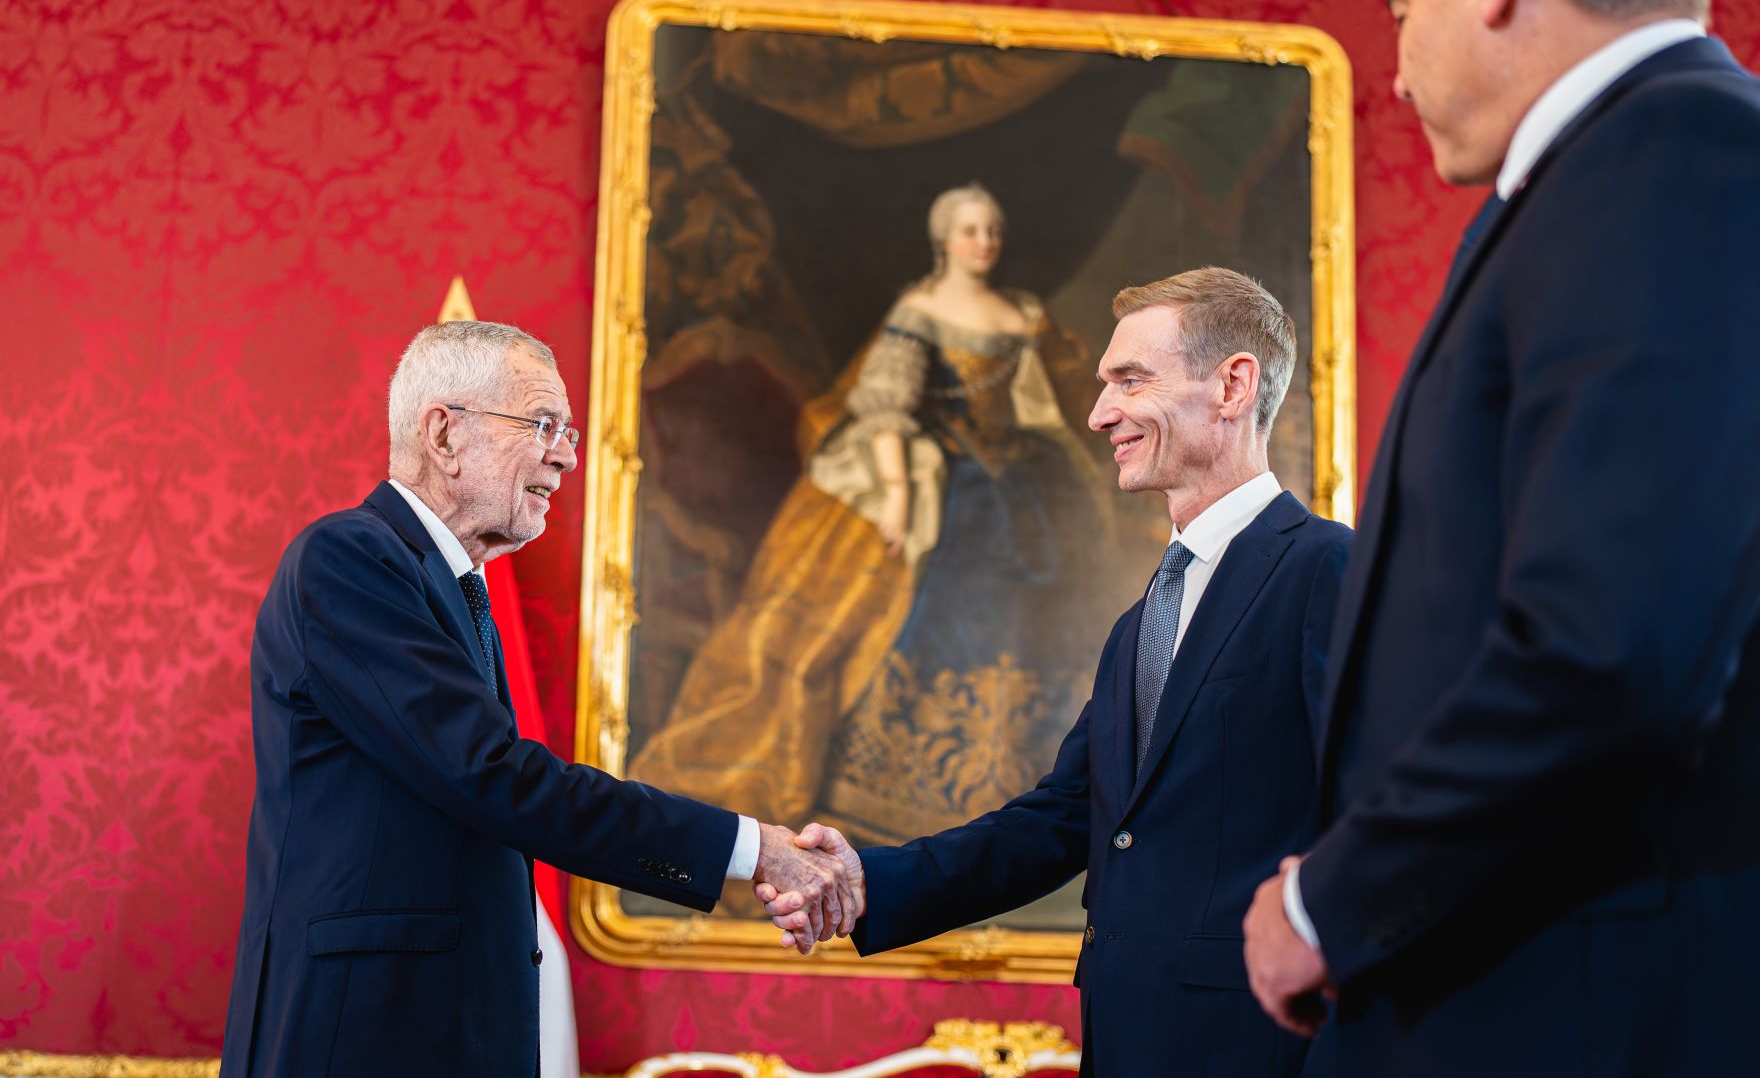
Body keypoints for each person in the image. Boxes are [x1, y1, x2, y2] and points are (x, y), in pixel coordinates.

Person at [1241, 0, 1760, 1074]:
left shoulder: (1680, 158)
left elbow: (1607, 648)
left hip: (1569, 1012)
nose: (1392, 68)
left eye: (1395, 10)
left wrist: (1331, 901)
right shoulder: (1612, 175)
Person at [219, 321, 856, 1078]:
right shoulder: (349, 558)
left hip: (446, 1033)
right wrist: (751, 848)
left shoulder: (458, 590)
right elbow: (493, 774)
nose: (567, 454)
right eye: (542, 425)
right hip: (357, 1036)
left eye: (572, 432)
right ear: (443, 434)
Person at [764, 268, 1351, 1078]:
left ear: (1233, 386)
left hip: (1264, 1048)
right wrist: (868, 881)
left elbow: (1381, 810)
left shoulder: (1331, 570)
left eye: (1129, 380)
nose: (1098, 412)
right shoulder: (1142, 618)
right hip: (1121, 1042)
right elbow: (1062, 819)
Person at [632, 183, 1118, 849]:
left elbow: (1038, 405)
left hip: (1023, 485)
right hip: (948, 483)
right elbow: (885, 406)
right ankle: (902, 788)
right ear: (944, 238)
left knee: (1034, 608)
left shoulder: (1020, 314)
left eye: (992, 232)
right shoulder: (919, 311)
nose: (984, 243)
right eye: (971, 230)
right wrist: (896, 493)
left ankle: (1015, 781)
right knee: (938, 603)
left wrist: (1075, 471)